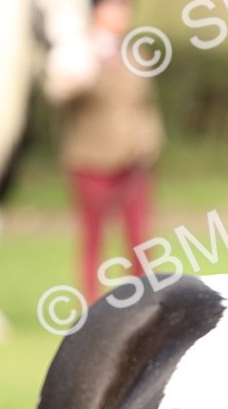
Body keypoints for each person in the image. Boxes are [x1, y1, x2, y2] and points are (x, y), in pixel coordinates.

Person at [56, 0, 163, 303]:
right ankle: (91, 301)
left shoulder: (136, 53)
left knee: (140, 238)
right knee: (93, 237)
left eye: (124, 9)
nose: (121, 15)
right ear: (97, 13)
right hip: (91, 157)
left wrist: (149, 141)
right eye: (113, 8)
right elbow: (63, 97)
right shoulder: (77, 54)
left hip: (133, 159)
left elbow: (144, 105)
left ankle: (143, 302)